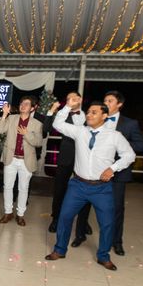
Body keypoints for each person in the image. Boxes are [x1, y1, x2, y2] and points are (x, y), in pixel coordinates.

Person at [45, 99, 136, 271]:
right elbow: (58, 123)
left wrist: (113, 168)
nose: (89, 114)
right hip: (77, 185)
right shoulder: (80, 132)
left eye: (94, 112)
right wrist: (67, 106)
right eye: (88, 112)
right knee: (64, 217)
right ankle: (59, 250)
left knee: (107, 223)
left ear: (104, 115)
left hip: (101, 188)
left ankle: (103, 256)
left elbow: (129, 155)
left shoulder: (114, 136)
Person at [74, 91, 143, 255]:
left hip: (117, 174)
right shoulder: (93, 121)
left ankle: (117, 242)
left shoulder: (129, 124)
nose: (106, 102)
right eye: (105, 100)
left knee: (116, 209)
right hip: (92, 172)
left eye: (110, 100)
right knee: (84, 204)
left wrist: (119, 145)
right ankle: (80, 235)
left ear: (119, 104)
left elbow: (141, 145)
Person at [45, 92, 91, 234]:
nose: (71, 100)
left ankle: (84, 222)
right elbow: (51, 127)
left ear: (80, 99)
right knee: (59, 190)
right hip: (65, 158)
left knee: (85, 191)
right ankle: (56, 219)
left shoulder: (88, 116)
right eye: (69, 98)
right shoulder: (63, 115)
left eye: (75, 98)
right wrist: (59, 109)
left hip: (84, 159)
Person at [0, 97, 44, 226]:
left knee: (23, 188)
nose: (23, 105)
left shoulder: (37, 124)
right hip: (10, 159)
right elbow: (0, 130)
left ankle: (20, 215)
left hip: (26, 161)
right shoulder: (12, 118)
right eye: (22, 103)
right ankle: (8, 213)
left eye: (27, 104)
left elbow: (39, 142)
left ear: (33, 108)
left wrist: (26, 133)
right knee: (7, 186)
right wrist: (5, 114)